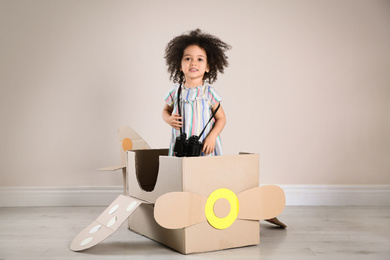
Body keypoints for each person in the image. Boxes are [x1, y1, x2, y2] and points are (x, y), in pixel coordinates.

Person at [162, 29, 229, 156]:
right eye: (188, 58)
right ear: (180, 65)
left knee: (204, 172)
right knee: (181, 171)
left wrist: (212, 137)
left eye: (200, 59)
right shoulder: (175, 91)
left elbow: (221, 118)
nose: (193, 62)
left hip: (204, 144)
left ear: (208, 67)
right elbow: (165, 111)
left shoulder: (209, 93)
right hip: (182, 145)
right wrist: (169, 119)